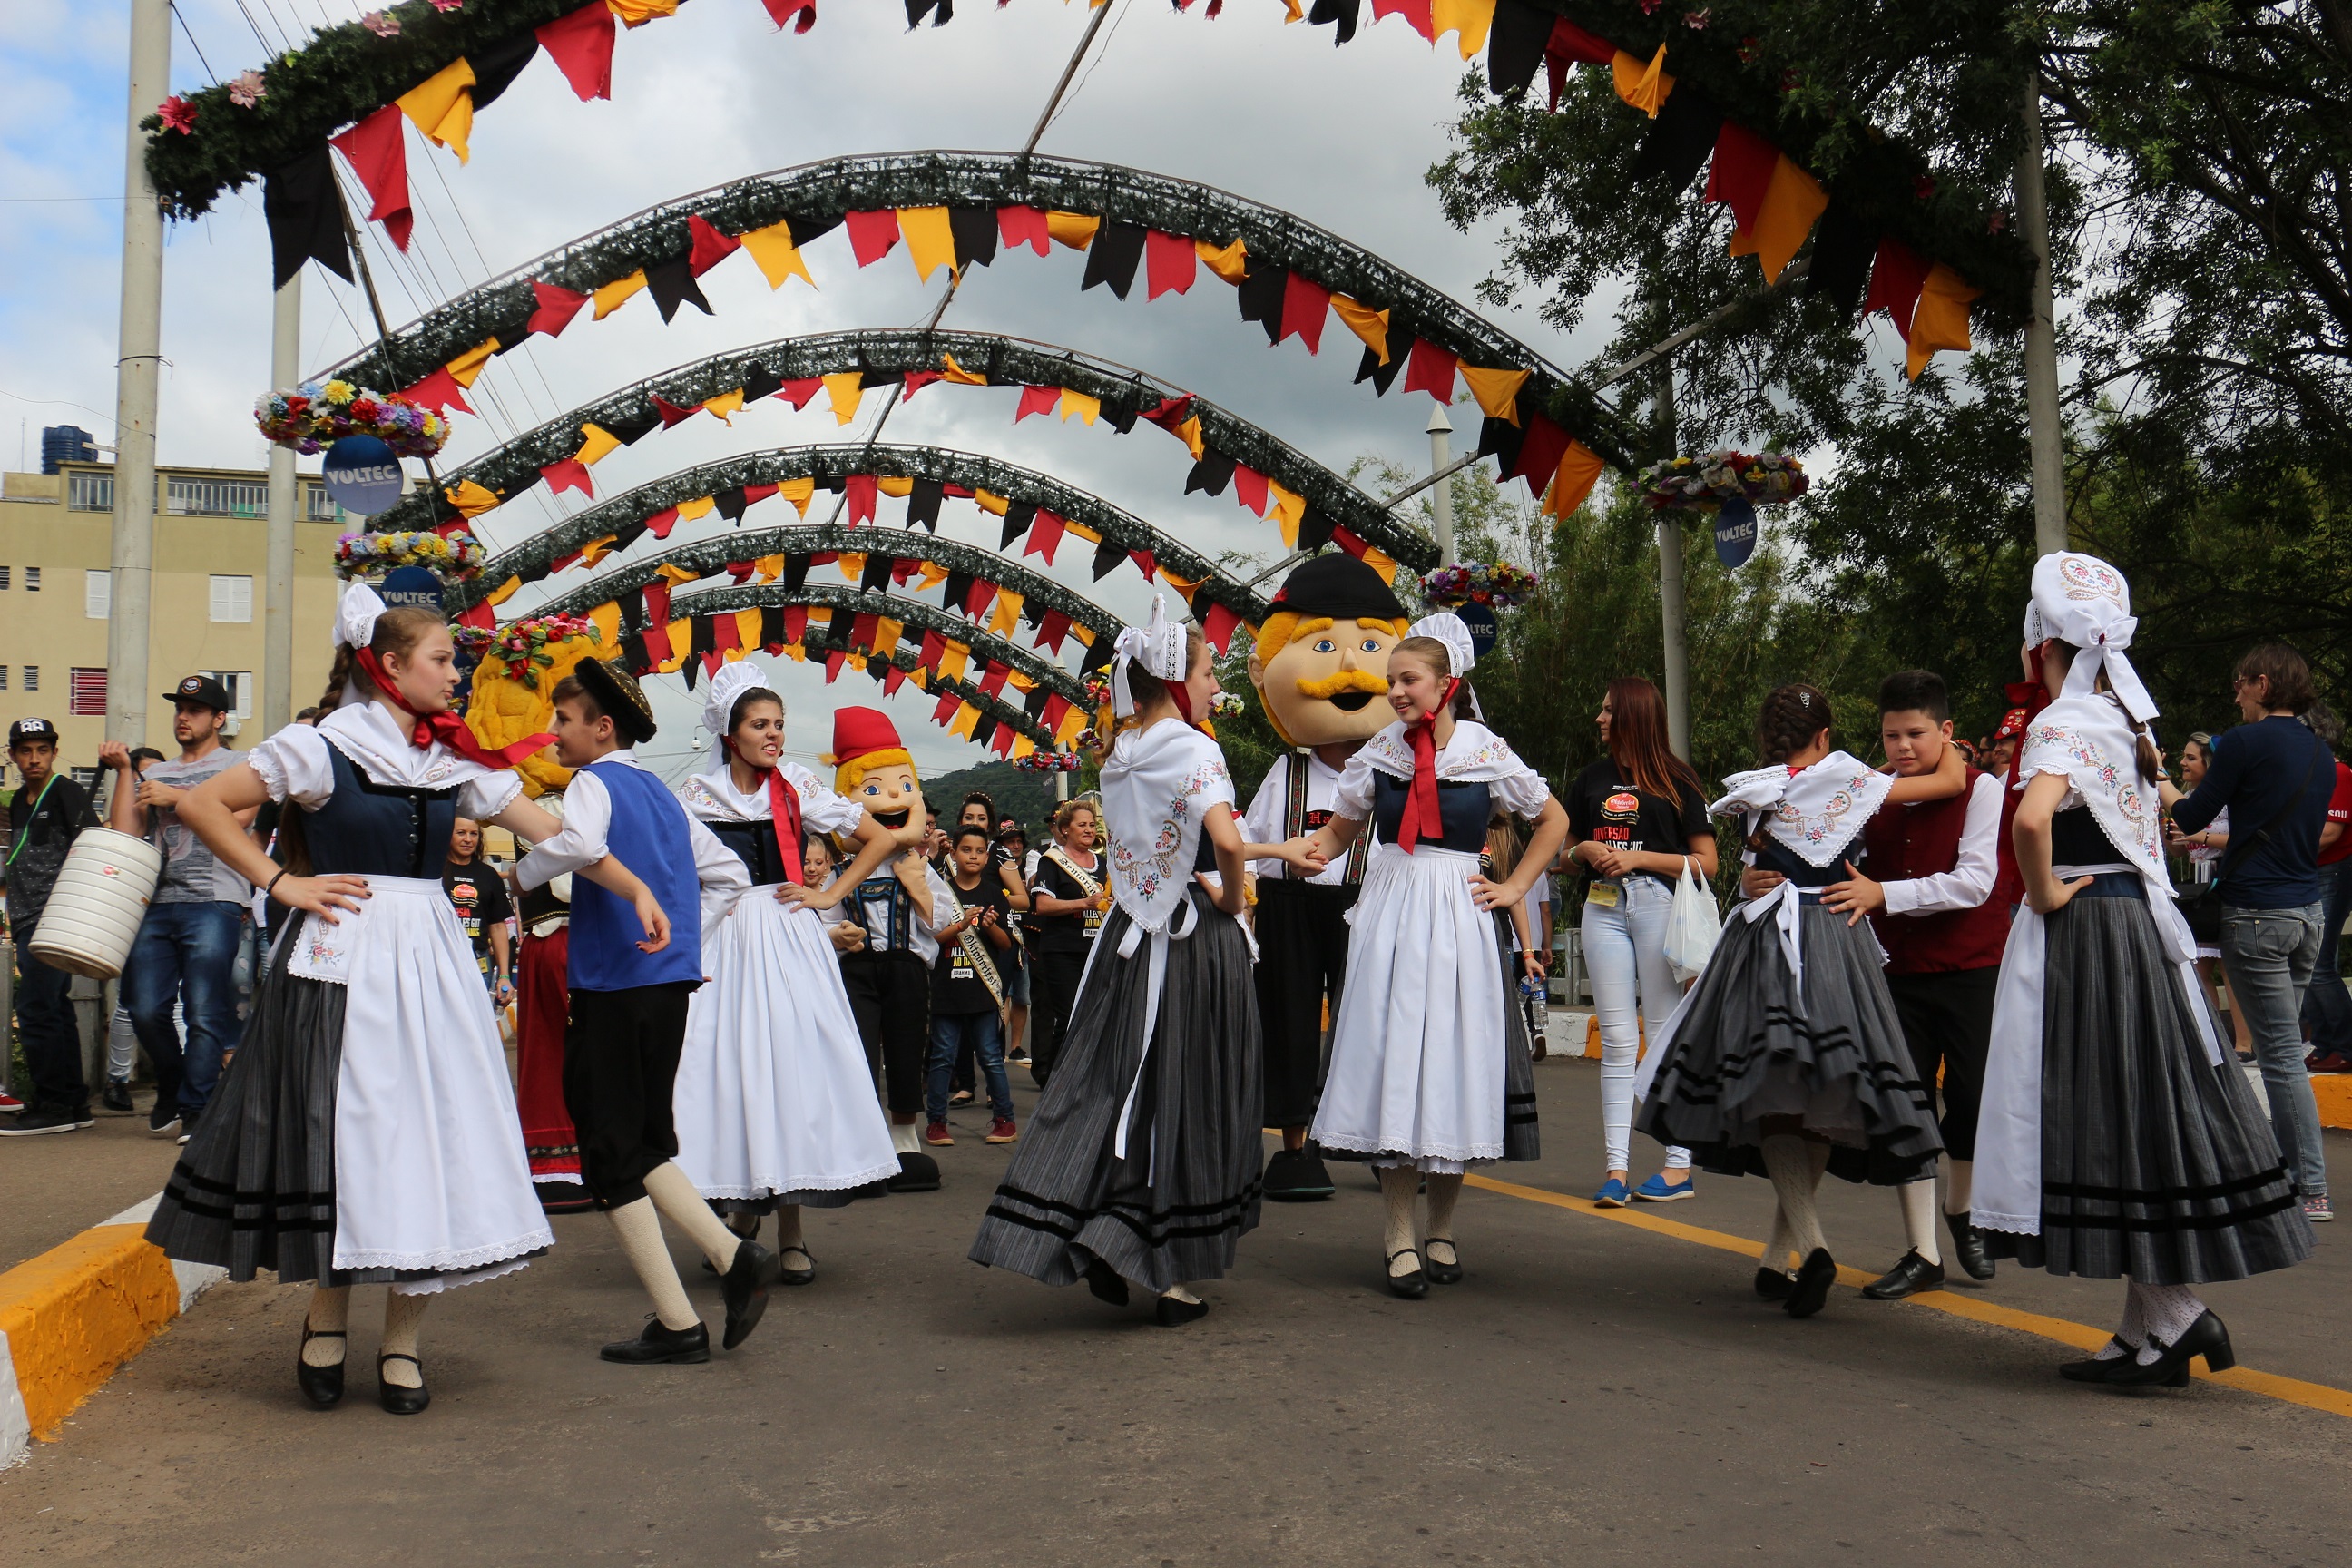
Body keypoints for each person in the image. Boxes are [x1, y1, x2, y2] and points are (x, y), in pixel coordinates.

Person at [143, 583, 660, 1414]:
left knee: (432, 1140)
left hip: (431, 958)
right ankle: (326, 1316)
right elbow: (206, 804)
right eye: (442, 659)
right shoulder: (325, 746)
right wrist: (284, 881)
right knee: (348, 1142)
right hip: (343, 955)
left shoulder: (455, 757)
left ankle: (403, 1341)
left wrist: (633, 887)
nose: (456, 674)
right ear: (389, 667)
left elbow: (558, 835)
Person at [1976, 552, 2313, 1385]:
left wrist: (2048, 891)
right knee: (2141, 1112)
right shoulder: (2131, 723)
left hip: (2090, 930)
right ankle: (2147, 1329)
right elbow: (2164, 816)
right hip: (2144, 932)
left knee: (2106, 1112)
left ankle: (2175, 1314)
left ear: (2042, 646)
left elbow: (2031, 821)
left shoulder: (2063, 722)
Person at [971, 596, 1278, 1326]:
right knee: (1189, 1090)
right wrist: (1237, 898)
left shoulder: (1122, 752)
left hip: (1125, 938)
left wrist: (1271, 851)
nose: (1213, 688)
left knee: (1113, 1088)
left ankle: (1096, 1225)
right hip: (1191, 941)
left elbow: (1171, 845)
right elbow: (1222, 846)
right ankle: (1156, 1260)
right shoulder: (1198, 748)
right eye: (1207, 674)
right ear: (1177, 681)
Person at [1635, 684, 1955, 1319]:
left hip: (1762, 937)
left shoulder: (1758, 786)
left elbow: (1759, 866)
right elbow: (1945, 785)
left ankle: (1782, 1254)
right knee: (1817, 1092)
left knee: (1779, 1092)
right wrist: (1949, 748)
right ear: (1826, 735)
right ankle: (1807, 1249)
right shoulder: (1849, 779)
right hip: (1834, 939)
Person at [514, 658, 789, 1365]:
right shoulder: (666, 797)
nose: (554, 733)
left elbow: (577, 846)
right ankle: (732, 1258)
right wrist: (679, 928)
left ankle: (679, 1319)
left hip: (611, 985)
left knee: (608, 1152)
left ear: (602, 728)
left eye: (564, 721)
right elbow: (729, 874)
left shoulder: (592, 782)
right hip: (668, 985)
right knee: (643, 1140)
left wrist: (512, 877)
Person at [1300, 615, 1567, 1298]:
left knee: (1454, 1063)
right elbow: (1337, 834)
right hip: (1392, 907)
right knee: (1396, 1058)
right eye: (1391, 680)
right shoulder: (1383, 749)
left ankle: (1442, 1229)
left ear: (1446, 686)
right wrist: (1290, 858)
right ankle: (1397, 1235)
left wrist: (1513, 887)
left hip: (1459, 910)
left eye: (1407, 679)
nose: (1394, 691)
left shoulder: (1484, 750)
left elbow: (1554, 821)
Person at [670, 662, 904, 1285]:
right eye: (760, 725)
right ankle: (743, 1211)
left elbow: (880, 839)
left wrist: (829, 896)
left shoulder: (797, 783)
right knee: (736, 1076)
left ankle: (791, 1232)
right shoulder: (696, 794)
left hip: (788, 928)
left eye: (779, 724)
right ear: (731, 732)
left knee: (792, 1074)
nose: (773, 735)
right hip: (724, 936)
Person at [1809, 671, 2011, 1299]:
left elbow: (1974, 883)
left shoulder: (1983, 791)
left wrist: (1883, 895)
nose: (1902, 747)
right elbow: (1824, 853)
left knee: (1976, 1106)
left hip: (1975, 966)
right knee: (1908, 1107)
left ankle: (1963, 1208)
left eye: (1916, 734)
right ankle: (1923, 1251)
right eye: (1891, 735)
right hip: (1896, 974)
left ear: (1946, 731)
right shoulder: (1872, 792)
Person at [1239, 552, 1409, 1201]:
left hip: (1366, 906)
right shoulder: (1288, 772)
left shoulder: (1393, 772)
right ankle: (1296, 1145)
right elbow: (1251, 843)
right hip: (1290, 908)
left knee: (1371, 1022)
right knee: (1289, 1024)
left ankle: (1377, 1139)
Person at [2161, 641, 2337, 1223]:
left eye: (2240, 683)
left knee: (2281, 1056)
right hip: (2307, 911)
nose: (2234, 694)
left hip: (2258, 913)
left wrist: (2152, 773)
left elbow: (2188, 817)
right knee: (2284, 1052)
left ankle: (2308, 1185)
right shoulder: (2320, 751)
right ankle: (2291, 1173)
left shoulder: (2241, 743)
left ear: (2263, 684)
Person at [1563, 677, 1718, 1206]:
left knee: (1662, 1029)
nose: (1600, 719)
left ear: (1634, 716)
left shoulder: (1678, 780)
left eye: (1609, 711)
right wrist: (1584, 848)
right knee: (1615, 1038)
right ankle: (1615, 1169)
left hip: (1658, 904)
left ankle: (1678, 1165)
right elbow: (1562, 854)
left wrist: (1640, 858)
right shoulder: (1589, 779)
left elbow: (1708, 863)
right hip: (1601, 904)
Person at [99, 675, 253, 1140]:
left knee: (205, 1011)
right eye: (179, 709)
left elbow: (240, 817)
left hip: (216, 900)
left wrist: (180, 799)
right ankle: (173, 1082)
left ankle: (196, 1108)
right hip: (157, 901)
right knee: (143, 1007)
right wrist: (127, 771)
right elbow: (126, 829)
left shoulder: (239, 764)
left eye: (196, 710)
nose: (183, 717)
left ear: (219, 719)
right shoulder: (158, 772)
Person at [827, 707, 951, 1193]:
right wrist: (838, 937)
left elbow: (944, 921)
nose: (893, 799)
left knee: (905, 1048)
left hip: (906, 969)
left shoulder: (917, 864)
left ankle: (904, 1139)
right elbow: (826, 917)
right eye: (873, 790)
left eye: (903, 785)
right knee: (857, 1053)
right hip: (857, 970)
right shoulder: (841, 870)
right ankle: (860, 1143)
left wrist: (919, 884)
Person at [2, 717, 100, 1136]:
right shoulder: (20, 801)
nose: (34, 758)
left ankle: (52, 1103)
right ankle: (73, 1101)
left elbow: (93, 844)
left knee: (36, 1008)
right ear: (13, 757)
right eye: (25, 751)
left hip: (54, 916)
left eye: (42, 750)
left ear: (55, 753)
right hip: (24, 918)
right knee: (55, 1009)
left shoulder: (67, 791)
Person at [512, 792, 590, 1213]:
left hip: (557, 945)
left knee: (549, 1052)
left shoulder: (557, 802)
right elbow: (566, 884)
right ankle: (568, 1163)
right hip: (565, 942)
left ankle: (557, 1163)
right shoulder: (554, 806)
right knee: (568, 1051)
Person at [924, 824, 1018, 1147]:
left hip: (982, 991)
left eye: (980, 851)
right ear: (954, 852)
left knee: (991, 1056)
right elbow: (930, 938)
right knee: (942, 1057)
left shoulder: (993, 893)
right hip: (947, 990)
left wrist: (990, 928)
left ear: (987, 855)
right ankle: (936, 1122)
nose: (973, 856)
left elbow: (1006, 944)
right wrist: (961, 925)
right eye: (966, 850)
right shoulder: (939, 890)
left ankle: (1005, 1118)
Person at [2168, 733, 2249, 1053]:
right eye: (2183, 757)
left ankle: (2244, 1044)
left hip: (2225, 881)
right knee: (2200, 966)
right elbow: (2179, 852)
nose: (2183, 763)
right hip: (2196, 887)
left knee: (2230, 968)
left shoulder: (2230, 797)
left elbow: (2240, 838)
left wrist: (2198, 835)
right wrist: (2173, 837)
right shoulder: (2187, 798)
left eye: (2191, 758)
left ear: (2209, 764)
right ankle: (2212, 1044)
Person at [1024, 799, 1108, 1088]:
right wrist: (1084, 902)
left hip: (1097, 950)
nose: (1088, 829)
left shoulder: (1103, 863)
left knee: (1096, 1015)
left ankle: (1086, 1077)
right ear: (1065, 830)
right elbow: (1043, 906)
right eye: (1081, 825)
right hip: (1062, 950)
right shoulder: (1052, 861)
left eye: (1092, 824)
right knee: (1070, 1015)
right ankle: (1056, 1078)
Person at [2297, 702, 2352, 1072]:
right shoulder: (2307, 776)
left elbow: (2330, 833)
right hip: (2307, 871)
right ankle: (2325, 1041)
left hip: (2331, 871)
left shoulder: (2340, 773)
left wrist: (2284, 846)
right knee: (2308, 961)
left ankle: (2346, 1046)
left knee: (2319, 965)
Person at [441, 817, 514, 1009]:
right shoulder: (433, 873)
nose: (468, 839)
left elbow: (498, 927)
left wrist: (504, 976)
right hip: (440, 959)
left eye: (474, 834)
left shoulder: (488, 875)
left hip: (478, 962)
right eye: (461, 833)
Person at [997, 820, 1034, 1067]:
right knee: (1005, 995)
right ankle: (997, 1043)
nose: (1016, 845)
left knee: (1023, 995)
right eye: (1010, 841)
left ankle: (1017, 1046)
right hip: (1004, 935)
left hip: (1027, 935)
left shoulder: (1030, 866)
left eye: (1019, 840)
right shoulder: (996, 868)